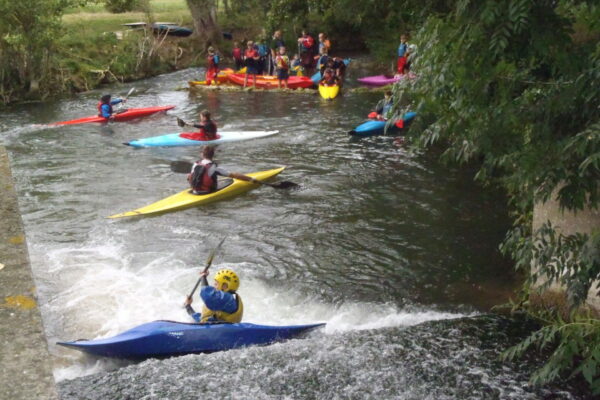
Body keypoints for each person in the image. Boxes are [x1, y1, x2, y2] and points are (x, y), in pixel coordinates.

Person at [187, 145, 260, 195]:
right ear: (212, 155)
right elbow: (234, 175)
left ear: (202, 155)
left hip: (194, 191)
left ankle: (197, 188)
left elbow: (189, 178)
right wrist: (251, 179)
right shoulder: (213, 167)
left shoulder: (195, 164)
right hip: (207, 192)